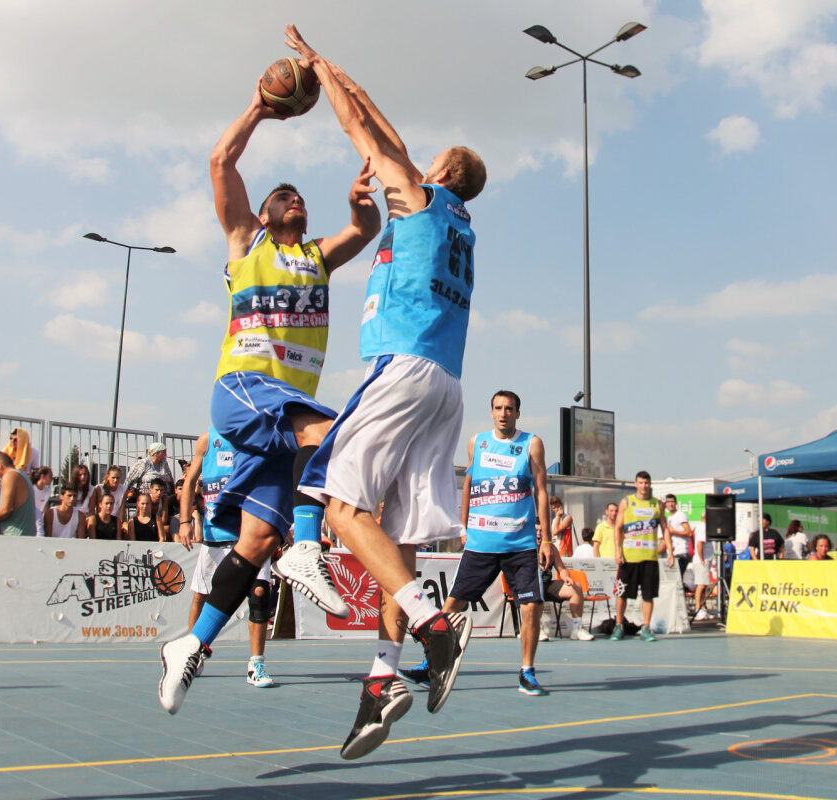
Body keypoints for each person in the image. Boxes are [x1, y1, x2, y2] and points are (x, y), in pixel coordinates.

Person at [156, 36, 386, 718]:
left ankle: (191, 646)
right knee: (338, 435)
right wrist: (260, 106)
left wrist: (359, 203)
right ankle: (310, 548)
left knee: (255, 543)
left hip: (281, 413)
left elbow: (364, 231)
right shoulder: (245, 243)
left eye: (301, 199)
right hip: (245, 388)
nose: (295, 202)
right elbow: (220, 160)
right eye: (284, 196)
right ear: (262, 212)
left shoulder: (317, 256)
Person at [284, 25, 486, 759]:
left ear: (438, 173)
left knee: (340, 510)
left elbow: (359, 126)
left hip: (400, 371)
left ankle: (436, 627)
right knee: (392, 541)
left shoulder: (421, 200)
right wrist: (342, 73)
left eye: (424, 162)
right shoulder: (460, 223)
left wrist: (316, 69)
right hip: (446, 384)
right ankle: (381, 681)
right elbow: (378, 120)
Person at [399, 390, 559, 704]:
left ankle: (527, 671)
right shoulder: (478, 443)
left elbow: (541, 490)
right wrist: (462, 526)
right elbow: (470, 484)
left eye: (509, 409)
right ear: (491, 412)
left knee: (531, 606)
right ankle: (430, 664)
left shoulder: (531, 444)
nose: (503, 413)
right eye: (498, 408)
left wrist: (549, 539)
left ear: (517, 413)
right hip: (481, 543)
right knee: (451, 606)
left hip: (520, 544)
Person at [177, 428, 277, 689]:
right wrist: (185, 520)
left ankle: (256, 663)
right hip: (215, 534)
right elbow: (189, 482)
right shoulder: (207, 440)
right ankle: (191, 654)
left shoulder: (256, 437)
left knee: (258, 594)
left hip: (249, 532)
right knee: (202, 595)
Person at [611, 470, 674, 642]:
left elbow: (665, 528)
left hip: (650, 558)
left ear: (650, 484)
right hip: (629, 557)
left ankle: (646, 627)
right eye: (640, 483)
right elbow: (618, 527)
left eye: (646, 483)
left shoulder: (657, 504)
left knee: (648, 595)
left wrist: (669, 550)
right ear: (636, 484)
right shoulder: (627, 503)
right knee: (622, 593)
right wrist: (618, 551)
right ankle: (618, 625)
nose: (644, 486)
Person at [0, 453, 36, 536]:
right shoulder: (23, 475)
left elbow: (5, 509)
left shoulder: (9, 476)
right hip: (27, 534)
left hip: (14, 535)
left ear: (0, 466)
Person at [690, 518, 715, 621]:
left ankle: (703, 609)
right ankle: (697, 609)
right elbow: (699, 543)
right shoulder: (702, 527)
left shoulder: (705, 527)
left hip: (706, 559)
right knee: (700, 585)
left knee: (704, 586)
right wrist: (702, 559)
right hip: (702, 560)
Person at [664, 494, 694, 580]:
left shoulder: (680, 515)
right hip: (673, 553)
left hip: (681, 552)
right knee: (673, 580)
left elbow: (689, 533)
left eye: (672, 502)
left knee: (677, 579)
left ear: (676, 503)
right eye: (668, 502)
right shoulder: (668, 517)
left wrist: (674, 531)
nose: (670, 504)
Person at [31, 466, 54, 533]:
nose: (52, 478)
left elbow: (45, 510)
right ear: (42, 476)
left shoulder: (48, 491)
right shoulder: (31, 489)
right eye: (50, 476)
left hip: (39, 522)